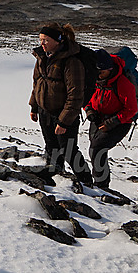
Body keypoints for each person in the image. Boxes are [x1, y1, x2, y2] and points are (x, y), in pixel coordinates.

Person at [29, 23, 93, 184]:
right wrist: (34, 106)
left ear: (58, 40)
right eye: (41, 40)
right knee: (51, 147)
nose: (42, 44)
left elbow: (75, 94)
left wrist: (64, 121)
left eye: (46, 40)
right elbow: (37, 83)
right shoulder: (42, 57)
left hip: (63, 114)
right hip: (45, 111)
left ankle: (86, 181)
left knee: (69, 150)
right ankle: (54, 176)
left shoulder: (71, 61)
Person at [83, 49, 138, 189]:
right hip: (98, 119)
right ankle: (101, 182)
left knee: (97, 149)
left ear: (110, 69)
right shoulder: (95, 79)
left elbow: (132, 109)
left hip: (120, 122)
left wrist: (112, 122)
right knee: (95, 149)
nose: (98, 75)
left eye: (101, 72)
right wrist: (89, 110)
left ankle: (101, 185)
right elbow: (87, 98)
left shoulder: (123, 83)